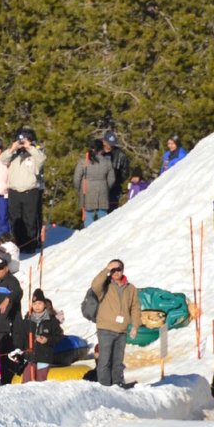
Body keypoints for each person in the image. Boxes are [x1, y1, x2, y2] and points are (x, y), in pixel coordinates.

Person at [90, 259, 141, 387]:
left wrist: (135, 325)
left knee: (118, 361)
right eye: (113, 270)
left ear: (122, 270)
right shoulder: (104, 286)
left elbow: (135, 307)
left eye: (118, 269)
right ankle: (104, 388)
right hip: (105, 329)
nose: (116, 272)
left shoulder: (131, 288)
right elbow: (94, 285)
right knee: (105, 360)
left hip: (122, 330)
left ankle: (117, 386)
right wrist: (106, 269)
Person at [1, 128, 45, 253]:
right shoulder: (13, 155)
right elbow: (2, 159)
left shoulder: (35, 154)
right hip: (14, 192)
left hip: (29, 191)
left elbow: (42, 159)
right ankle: (18, 244)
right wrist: (12, 148)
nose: (21, 143)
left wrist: (29, 146)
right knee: (15, 220)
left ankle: (30, 244)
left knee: (29, 220)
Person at [0, 255, 24, 384]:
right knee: (2, 361)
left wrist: (8, 299)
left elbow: (18, 293)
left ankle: (10, 383)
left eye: (1, 268)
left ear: (6, 268)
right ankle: (4, 384)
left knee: (10, 360)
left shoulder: (11, 281)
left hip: (10, 328)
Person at [20, 289, 63, 383]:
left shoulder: (52, 321)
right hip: (30, 357)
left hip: (44, 357)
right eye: (34, 304)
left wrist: (47, 340)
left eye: (39, 303)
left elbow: (59, 337)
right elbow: (22, 337)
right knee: (26, 381)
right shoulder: (27, 320)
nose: (37, 306)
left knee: (41, 382)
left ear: (44, 304)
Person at [73, 138, 115, 228]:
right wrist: (106, 188)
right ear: (101, 149)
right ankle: (103, 233)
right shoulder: (107, 162)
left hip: (87, 190)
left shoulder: (83, 162)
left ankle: (89, 236)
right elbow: (112, 179)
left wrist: (79, 189)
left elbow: (77, 178)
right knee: (102, 213)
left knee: (88, 215)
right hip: (103, 189)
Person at [100, 130, 130, 212]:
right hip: (99, 187)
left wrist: (117, 179)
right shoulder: (98, 153)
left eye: (112, 144)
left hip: (114, 188)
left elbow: (126, 170)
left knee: (112, 210)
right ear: (104, 142)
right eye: (109, 143)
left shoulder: (120, 154)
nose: (111, 146)